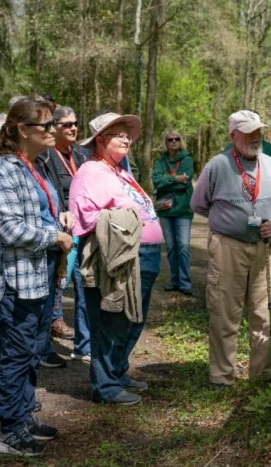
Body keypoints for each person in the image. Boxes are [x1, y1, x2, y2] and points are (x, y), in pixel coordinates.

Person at [0, 97, 73, 456]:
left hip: (38, 275)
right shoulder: (2, 170)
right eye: (46, 125)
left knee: (32, 350)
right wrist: (55, 236)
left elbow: (35, 216)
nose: (53, 130)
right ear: (22, 130)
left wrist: (58, 221)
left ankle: (24, 412)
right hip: (13, 279)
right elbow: (10, 230)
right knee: (16, 353)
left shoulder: (31, 166)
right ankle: (10, 430)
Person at [191, 110, 271, 387]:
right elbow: (199, 203)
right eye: (248, 132)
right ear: (233, 135)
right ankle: (222, 376)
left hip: (264, 249)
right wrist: (227, 223)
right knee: (225, 312)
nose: (255, 137)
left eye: (258, 131)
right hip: (227, 248)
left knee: (267, 312)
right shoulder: (217, 166)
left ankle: (263, 376)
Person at [69, 112, 162, 405]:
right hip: (117, 257)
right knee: (110, 319)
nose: (126, 138)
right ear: (100, 140)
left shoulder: (119, 170)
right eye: (117, 134)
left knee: (132, 318)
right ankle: (105, 386)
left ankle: (118, 371)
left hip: (142, 254)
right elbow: (85, 218)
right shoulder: (91, 172)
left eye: (127, 134)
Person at [37, 106, 89, 360]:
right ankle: (43, 348)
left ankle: (85, 345)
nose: (73, 128)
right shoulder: (44, 156)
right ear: (53, 127)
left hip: (83, 229)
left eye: (75, 123)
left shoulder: (80, 153)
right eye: (66, 124)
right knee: (53, 287)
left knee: (84, 285)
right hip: (58, 232)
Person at [152, 130, 195, 296]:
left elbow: (185, 184)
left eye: (177, 139)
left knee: (183, 246)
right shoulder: (160, 162)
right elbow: (156, 181)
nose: (174, 142)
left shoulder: (187, 160)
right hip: (165, 210)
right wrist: (175, 179)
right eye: (170, 139)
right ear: (166, 142)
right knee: (171, 247)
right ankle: (174, 280)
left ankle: (185, 282)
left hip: (183, 209)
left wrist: (166, 182)